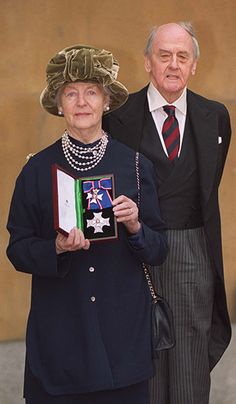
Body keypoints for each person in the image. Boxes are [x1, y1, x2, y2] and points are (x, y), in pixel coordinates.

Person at [6, 45, 168, 404]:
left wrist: (137, 227)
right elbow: (17, 249)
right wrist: (56, 248)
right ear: (59, 104)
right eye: (71, 93)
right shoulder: (36, 171)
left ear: (106, 102)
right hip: (60, 341)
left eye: (91, 92)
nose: (82, 102)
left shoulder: (137, 166)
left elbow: (160, 249)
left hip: (122, 340)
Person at [103, 22, 232, 404]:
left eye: (182, 56)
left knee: (192, 359)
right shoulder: (117, 116)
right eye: (164, 55)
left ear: (194, 65)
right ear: (147, 62)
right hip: (134, 249)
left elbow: (208, 185)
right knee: (144, 356)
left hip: (193, 247)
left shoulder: (216, 117)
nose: (173, 64)